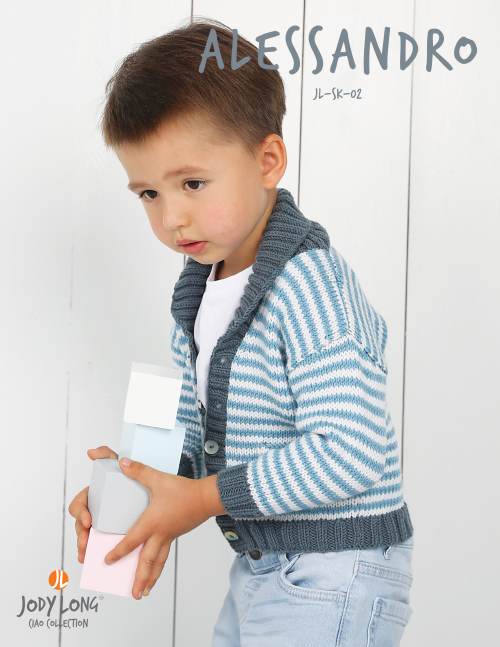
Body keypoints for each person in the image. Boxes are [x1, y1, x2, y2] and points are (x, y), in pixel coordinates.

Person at [68, 17, 414, 646]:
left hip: (334, 569)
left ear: (267, 161)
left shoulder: (309, 286)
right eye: (148, 194)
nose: (172, 217)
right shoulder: (199, 291)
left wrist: (202, 499)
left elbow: (350, 451)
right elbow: (200, 440)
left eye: (192, 183)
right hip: (265, 566)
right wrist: (138, 484)